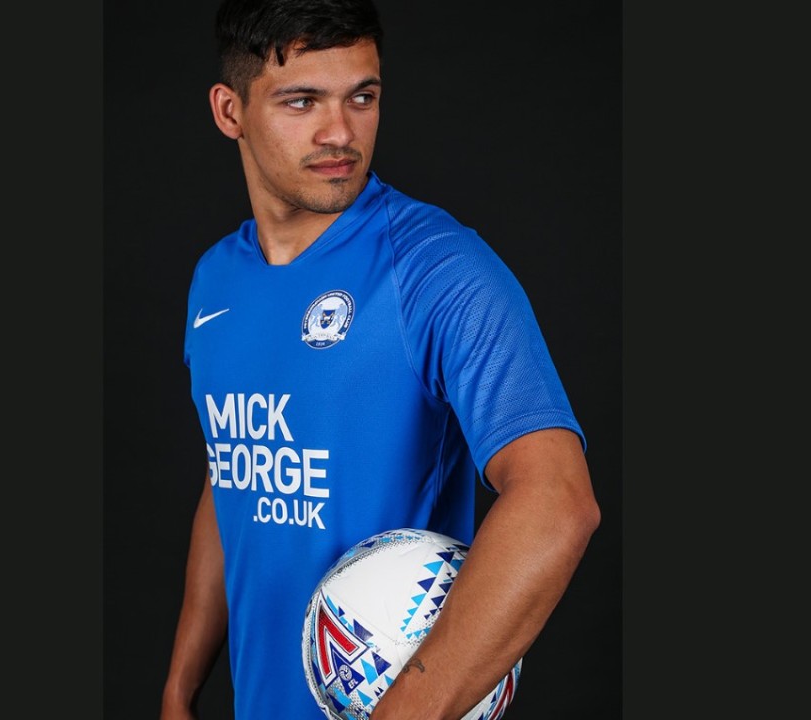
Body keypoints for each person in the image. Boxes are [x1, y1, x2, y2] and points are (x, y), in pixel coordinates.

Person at [159, 1, 601, 718]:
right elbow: (235, 475)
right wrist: (180, 690)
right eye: (302, 101)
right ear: (230, 110)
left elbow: (557, 501)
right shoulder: (216, 281)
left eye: (361, 97)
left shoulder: (436, 268)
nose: (340, 132)